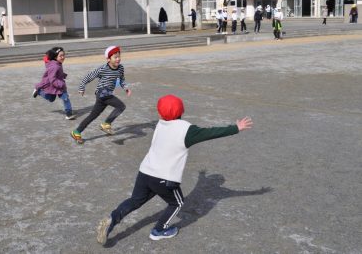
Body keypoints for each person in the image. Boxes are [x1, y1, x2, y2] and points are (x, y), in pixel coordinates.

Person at [96, 94, 253, 245]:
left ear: (160, 112)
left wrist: (202, 177)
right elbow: (210, 133)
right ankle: (159, 231)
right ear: (181, 110)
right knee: (177, 203)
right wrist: (236, 128)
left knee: (135, 201)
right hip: (164, 178)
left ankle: (112, 219)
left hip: (145, 172)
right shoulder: (187, 130)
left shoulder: (160, 124)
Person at [70, 46, 131, 144]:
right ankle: (106, 124)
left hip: (107, 94)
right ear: (108, 59)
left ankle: (76, 131)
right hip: (102, 93)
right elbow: (89, 77)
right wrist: (82, 87)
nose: (118, 59)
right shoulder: (103, 69)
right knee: (121, 106)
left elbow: (122, 79)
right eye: (115, 57)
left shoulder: (120, 68)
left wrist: (125, 88)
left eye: (119, 56)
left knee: (93, 115)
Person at [32, 47, 76, 120]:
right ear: (55, 57)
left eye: (63, 55)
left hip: (58, 84)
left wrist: (63, 75)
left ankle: (68, 114)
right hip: (54, 85)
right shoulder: (54, 66)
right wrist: (61, 84)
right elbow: (52, 79)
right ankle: (39, 91)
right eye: (60, 56)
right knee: (53, 99)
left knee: (63, 98)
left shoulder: (58, 63)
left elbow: (57, 74)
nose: (63, 57)